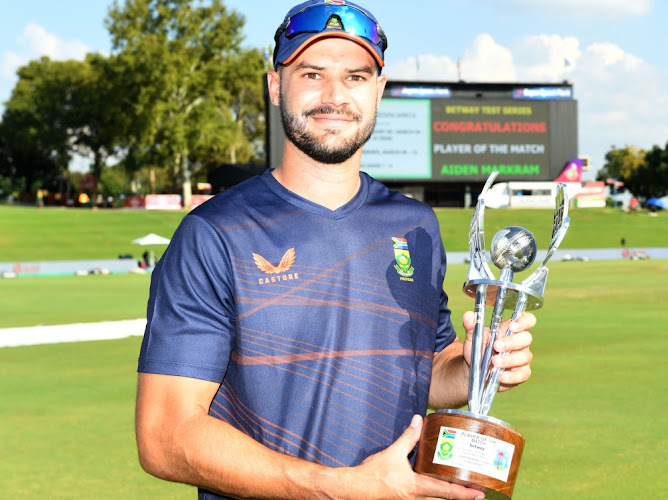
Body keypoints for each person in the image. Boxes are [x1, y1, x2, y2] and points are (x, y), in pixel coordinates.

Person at [135, 2, 535, 499]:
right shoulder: (214, 233)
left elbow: (423, 374)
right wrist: (338, 488)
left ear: (379, 91)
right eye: (311, 73)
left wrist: (473, 367)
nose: (334, 95)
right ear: (276, 85)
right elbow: (165, 437)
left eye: (355, 76)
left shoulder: (415, 226)